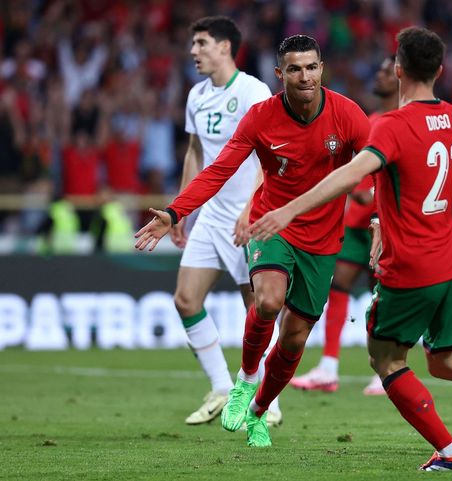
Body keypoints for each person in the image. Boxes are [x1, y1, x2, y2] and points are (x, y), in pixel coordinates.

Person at [249, 27, 452, 471]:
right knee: (445, 361)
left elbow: (351, 176)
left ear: (399, 70)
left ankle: (451, 453)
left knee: (385, 359)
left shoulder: (390, 126)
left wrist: (288, 209)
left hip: (412, 266)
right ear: (440, 70)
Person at [134, 35, 371, 447]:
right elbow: (218, 169)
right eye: (294, 69)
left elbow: (381, 168)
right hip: (271, 225)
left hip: (322, 239)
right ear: (280, 75)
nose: (304, 76)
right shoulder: (261, 117)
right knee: (267, 301)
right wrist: (175, 212)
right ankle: (244, 380)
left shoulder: (348, 115)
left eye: (311, 67)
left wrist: (382, 219)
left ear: (322, 69)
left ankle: (260, 409)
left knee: (295, 337)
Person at [166, 16, 282, 426]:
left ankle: (268, 403)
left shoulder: (254, 91)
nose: (193, 51)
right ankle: (221, 386)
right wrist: (182, 210)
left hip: (249, 214)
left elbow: (269, 156)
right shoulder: (196, 95)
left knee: (257, 309)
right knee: (185, 300)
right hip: (212, 215)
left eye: (200, 43)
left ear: (224, 47)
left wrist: (251, 208)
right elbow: (194, 153)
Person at [290, 56, 399, 396]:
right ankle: (328, 367)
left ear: (401, 77)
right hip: (357, 222)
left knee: (383, 292)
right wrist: (360, 192)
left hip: (389, 222)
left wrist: (373, 196)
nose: (378, 75)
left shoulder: (402, 121)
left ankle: (388, 368)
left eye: (385, 71)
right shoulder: (370, 119)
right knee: (338, 285)